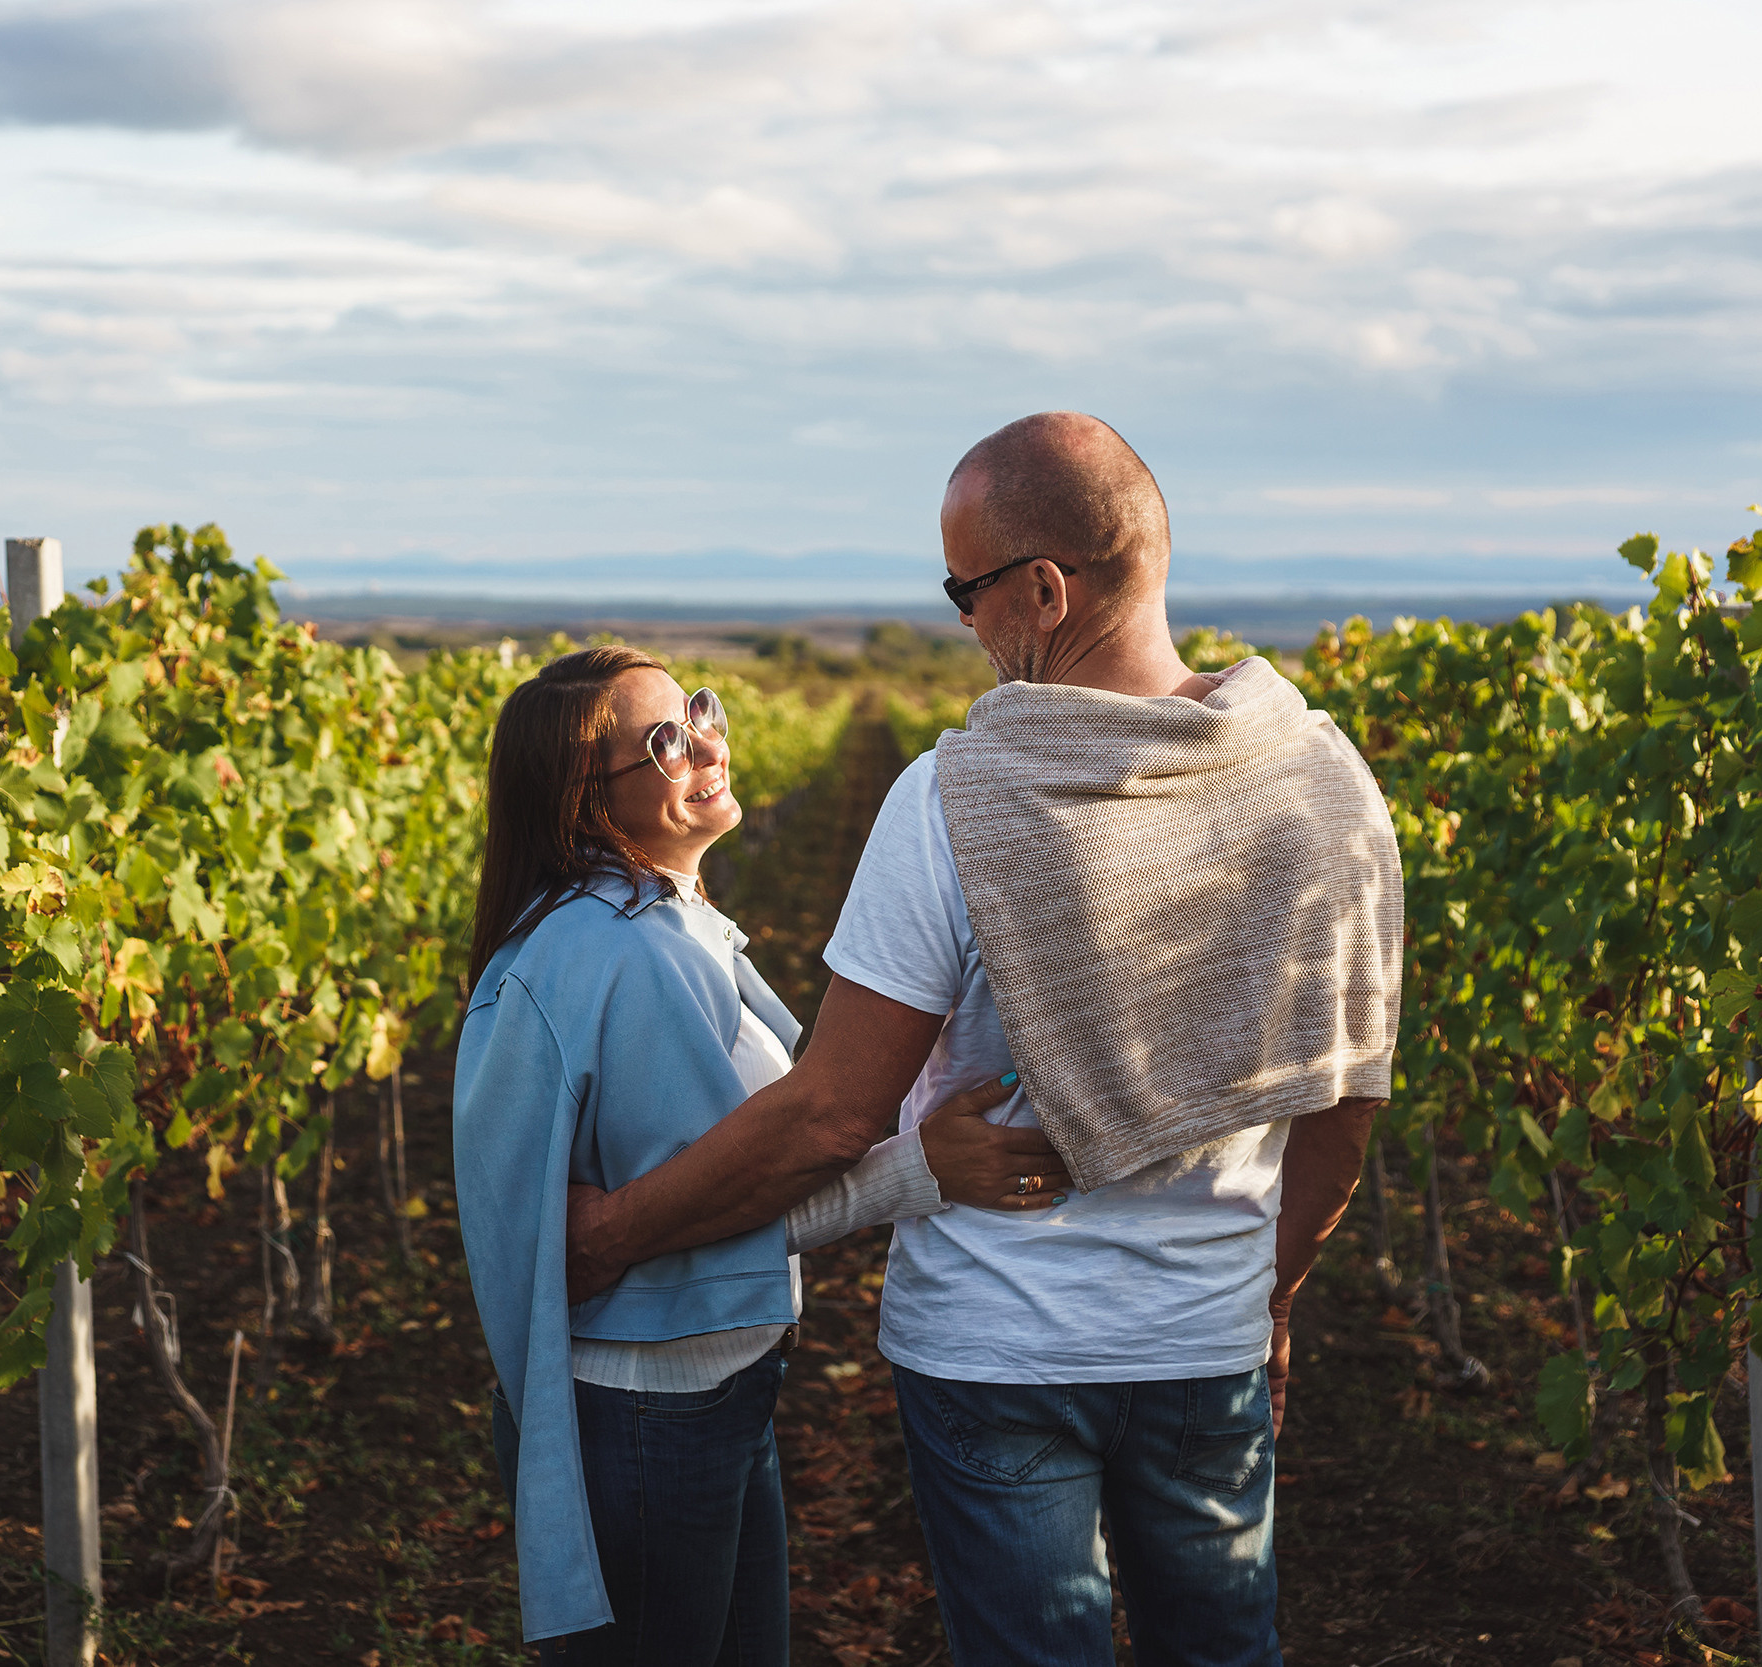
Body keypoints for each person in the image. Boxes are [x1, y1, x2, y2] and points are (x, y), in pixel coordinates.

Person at [565, 414, 1404, 1667]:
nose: (962, 620)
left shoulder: (953, 798)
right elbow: (1345, 1102)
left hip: (997, 1348)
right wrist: (1267, 1294)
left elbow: (832, 1113)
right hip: (1206, 1342)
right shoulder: (1321, 780)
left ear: (1045, 589)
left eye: (966, 590)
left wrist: (613, 1233)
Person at [453, 645, 1063, 1665]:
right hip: (650, 1410)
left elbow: (691, 1200)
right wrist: (922, 1169)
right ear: (584, 802)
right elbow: (712, 1205)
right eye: (665, 741)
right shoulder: (629, 952)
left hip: (701, 1389)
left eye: (698, 711)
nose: (707, 745)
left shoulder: (655, 922)